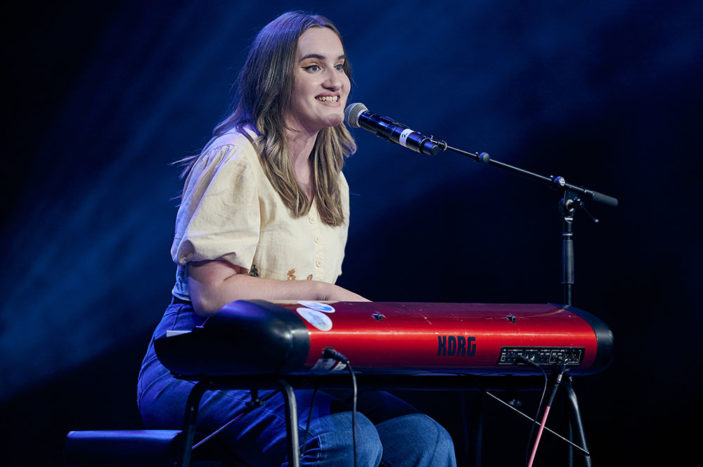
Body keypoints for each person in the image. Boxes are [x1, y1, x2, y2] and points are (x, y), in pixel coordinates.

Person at [137, 11, 457, 466]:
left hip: (283, 363)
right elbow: (211, 293)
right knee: (346, 441)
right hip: (194, 362)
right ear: (275, 80)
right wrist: (322, 292)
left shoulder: (333, 182)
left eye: (340, 65)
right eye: (313, 66)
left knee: (425, 438)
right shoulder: (237, 156)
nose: (335, 81)